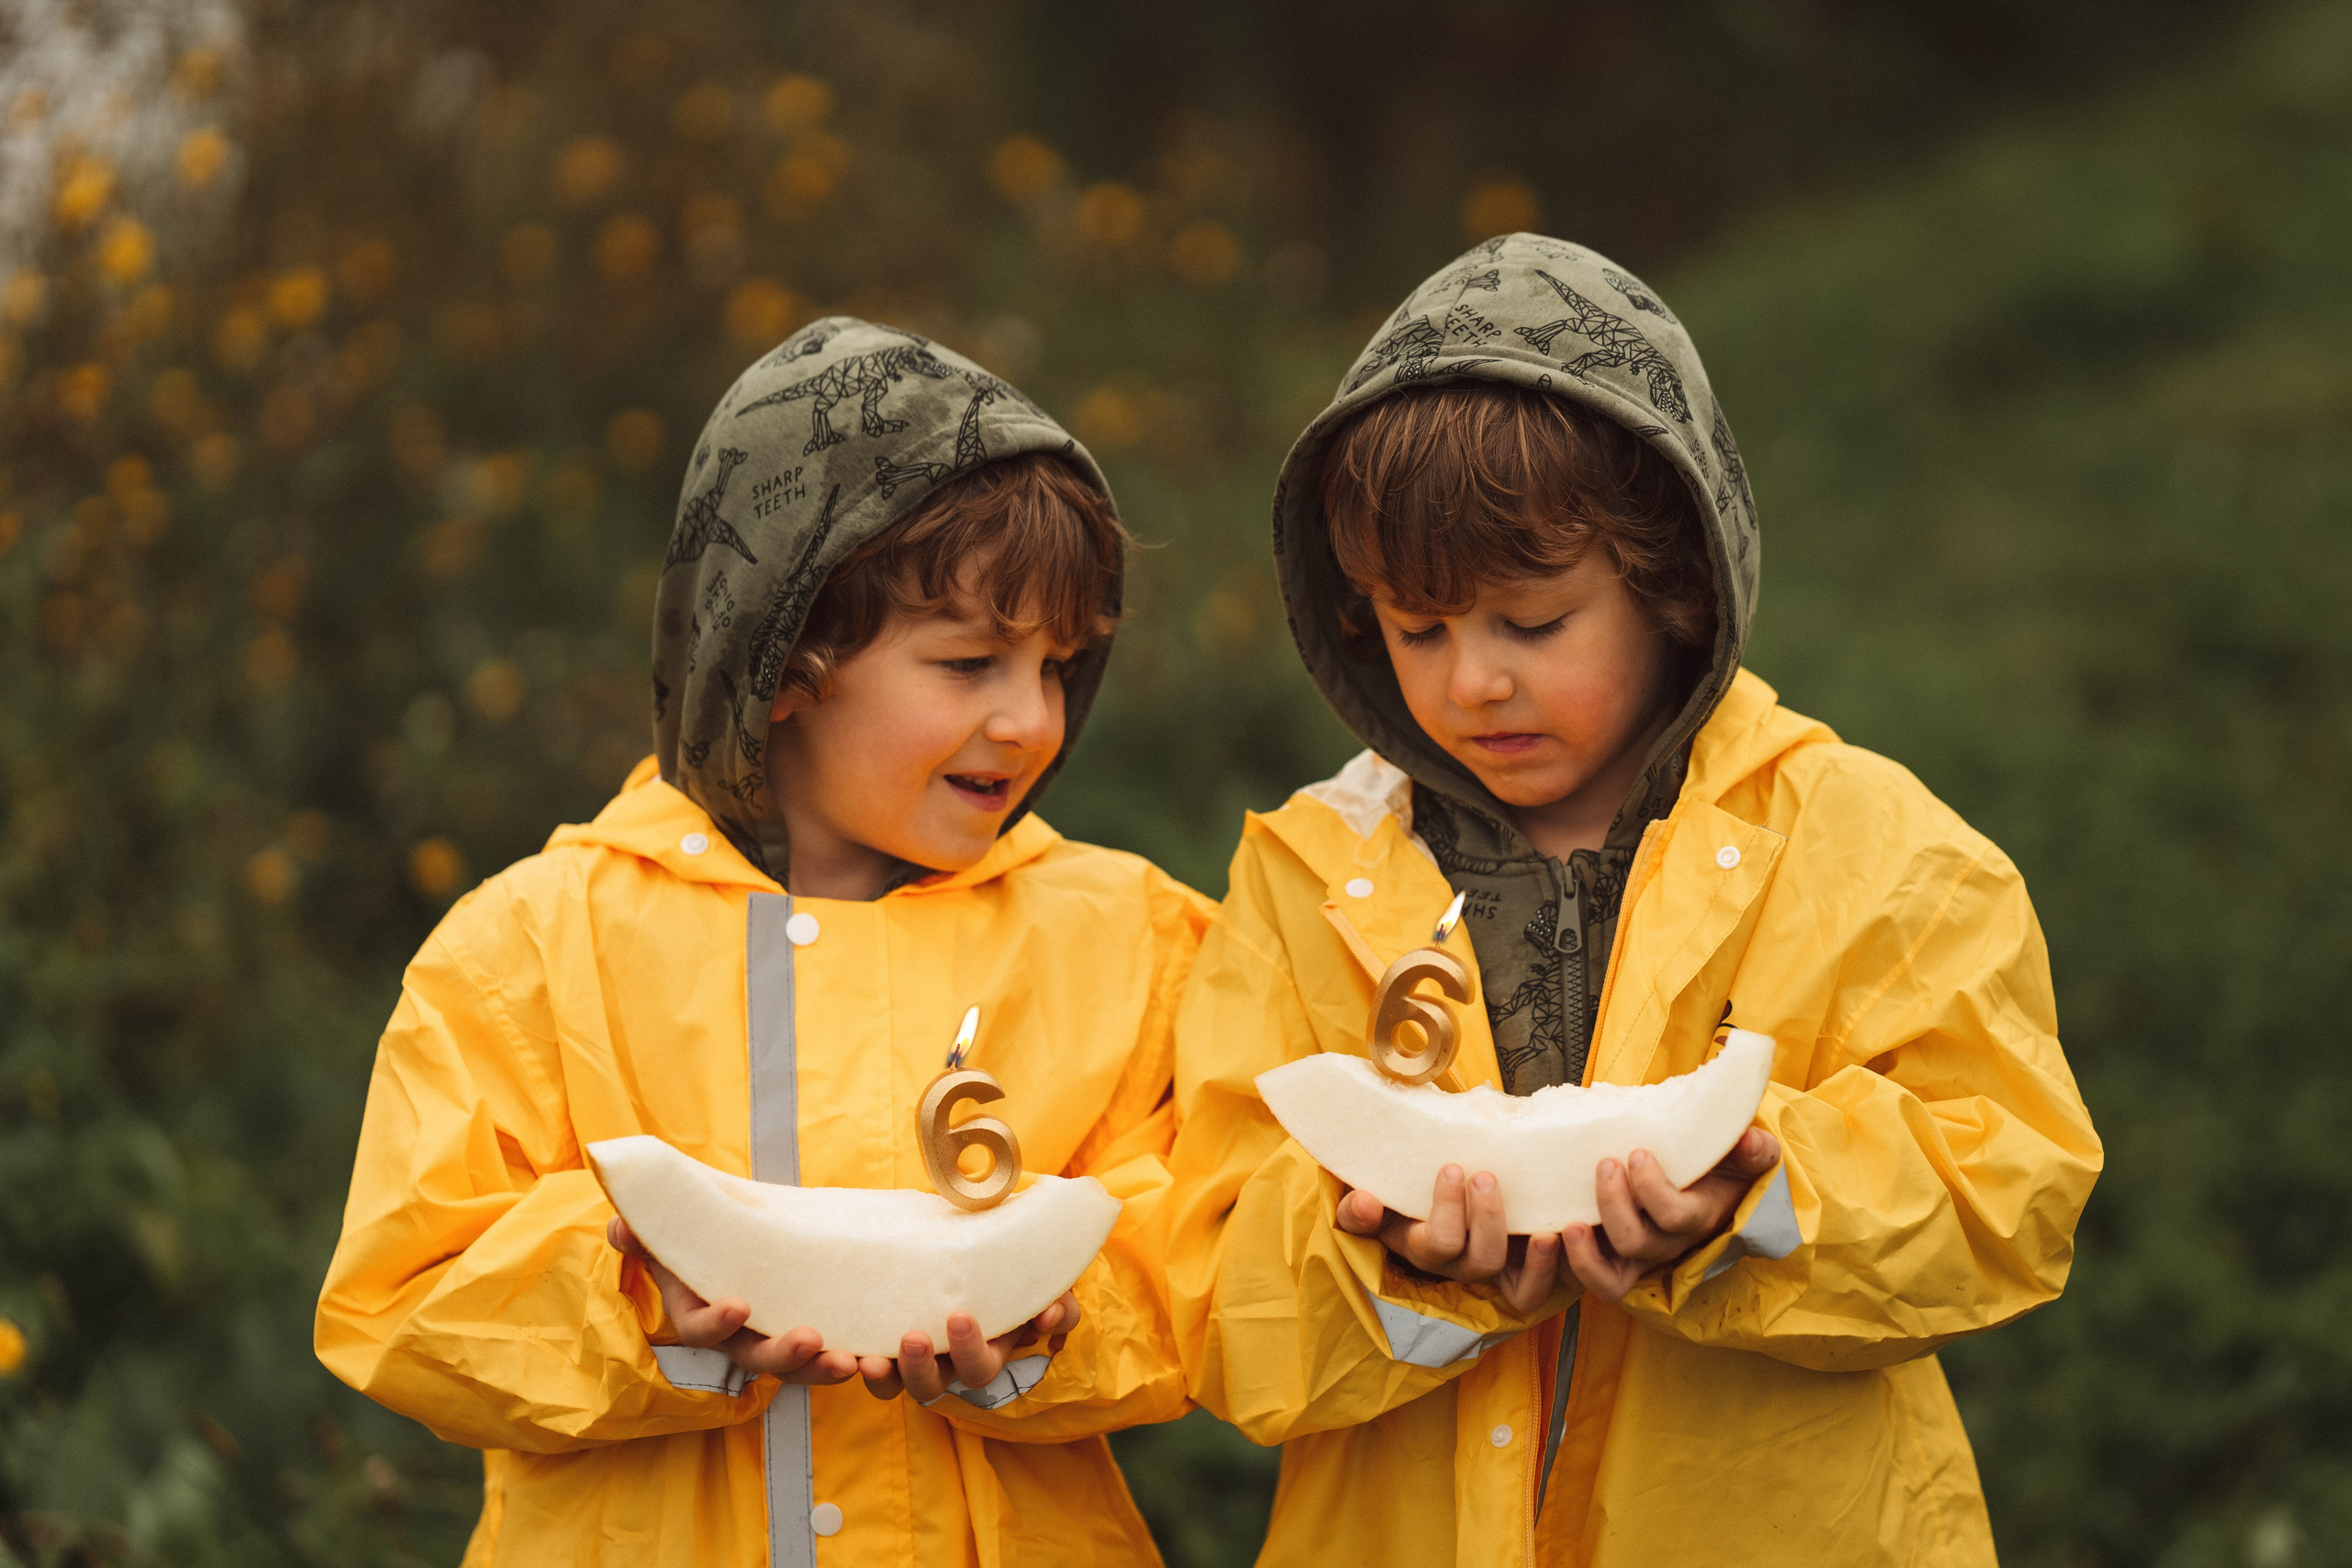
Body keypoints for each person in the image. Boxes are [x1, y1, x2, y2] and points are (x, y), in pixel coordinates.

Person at [1165, 235, 2103, 1565]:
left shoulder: (1867, 842)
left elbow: (2009, 1191)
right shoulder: (1306, 875)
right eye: (1417, 629)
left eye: (1532, 624)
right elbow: (1213, 1291)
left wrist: (1757, 1203)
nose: (1471, 683)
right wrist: (1394, 1265)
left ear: (1673, 583)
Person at [317, 319, 1208, 1567]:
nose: (1032, 719)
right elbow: (403, 1293)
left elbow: (1207, 1261)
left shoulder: (1132, 938)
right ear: (784, 662)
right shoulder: (533, 945)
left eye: (1057, 667)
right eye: (970, 664)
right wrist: (640, 1304)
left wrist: (1056, 1323)